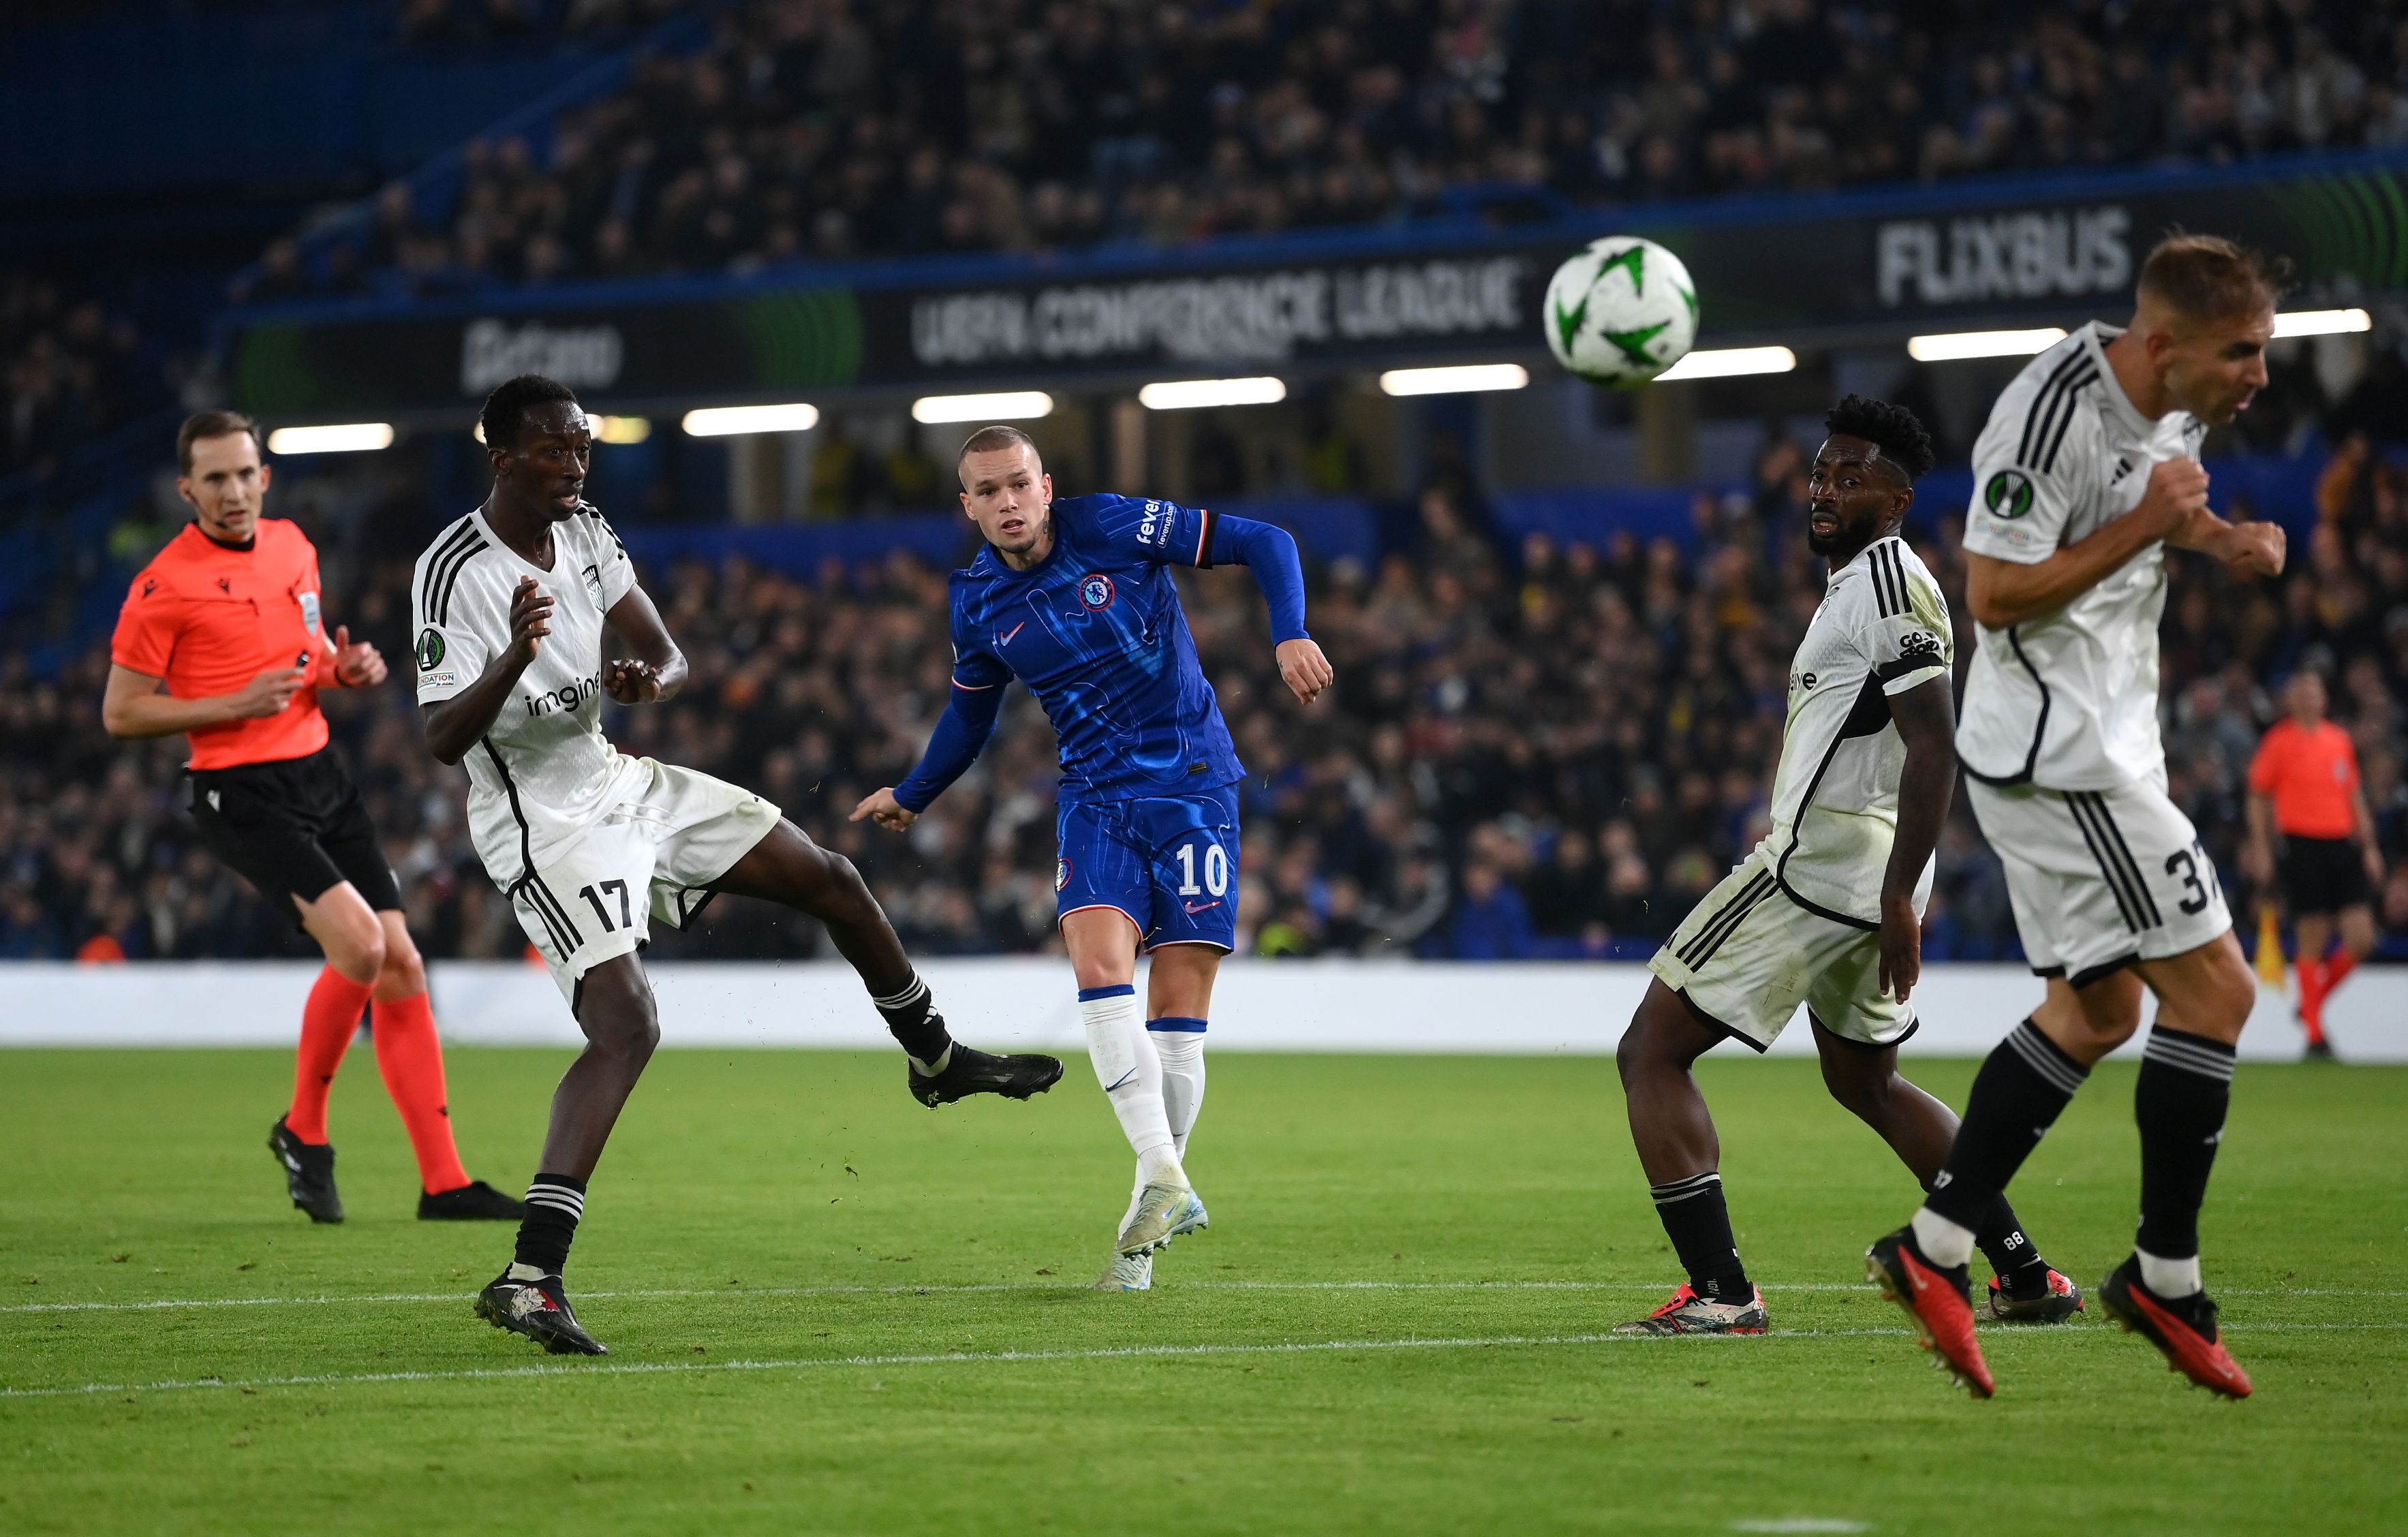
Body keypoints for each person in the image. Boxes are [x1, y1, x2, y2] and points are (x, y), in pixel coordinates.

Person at [414, 376, 1061, 1356]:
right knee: (627, 1025)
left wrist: (649, 679)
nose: (576, 466)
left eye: (583, 448)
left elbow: (667, 654)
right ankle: (531, 1275)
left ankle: (936, 1060)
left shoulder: (587, 528)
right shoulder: (453, 569)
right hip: (541, 817)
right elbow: (439, 737)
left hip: (617, 777)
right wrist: (511, 656)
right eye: (554, 451)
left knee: (832, 877)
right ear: (502, 458)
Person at [1868, 234, 2289, 1399]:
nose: (2255, 374)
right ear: (2161, 345)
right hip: (2065, 752)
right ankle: (2163, 1276)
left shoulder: (2174, 411)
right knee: (2214, 992)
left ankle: (1933, 1248)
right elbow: (1993, 595)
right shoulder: (2048, 414)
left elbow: (2156, 511)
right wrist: (2156, 523)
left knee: (2095, 1009)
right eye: (2238, 353)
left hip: (2084, 737)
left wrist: (2221, 539)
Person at [1615, 397, 2078, 1337]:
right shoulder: (1861, 584)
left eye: (1849, 478)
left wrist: (1901, 893)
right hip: (1862, 875)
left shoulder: (1885, 585)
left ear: (1896, 499)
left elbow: (1934, 746)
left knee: (1650, 1051)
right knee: (1865, 1082)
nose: (1824, 490)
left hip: (1816, 867)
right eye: (1820, 474)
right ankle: (2026, 1276)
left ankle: (1722, 1292)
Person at [852, 426, 1332, 1290]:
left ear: (1047, 486)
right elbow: (970, 715)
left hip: (1194, 784)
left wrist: (1289, 632)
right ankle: (1164, 1179)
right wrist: (915, 792)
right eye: (987, 492)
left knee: (1177, 1017)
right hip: (1096, 800)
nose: (1006, 503)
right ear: (967, 506)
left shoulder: (1112, 525)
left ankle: (1141, 1234)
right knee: (1099, 970)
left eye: (1019, 485)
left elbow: (1265, 540)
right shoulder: (976, 603)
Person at [103, 412, 522, 1226]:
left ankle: (444, 1184)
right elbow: (121, 713)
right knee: (364, 948)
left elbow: (304, 656)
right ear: (187, 490)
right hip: (240, 792)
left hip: (321, 774)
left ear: (267, 476)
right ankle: (305, 1130)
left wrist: (343, 668)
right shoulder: (163, 585)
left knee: (401, 966)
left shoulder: (295, 547)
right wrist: (231, 703)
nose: (233, 491)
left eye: (244, 473)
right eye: (214, 479)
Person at [2245, 669, 2384, 1058]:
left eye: (2314, 693)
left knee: (2361, 938)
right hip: (2302, 844)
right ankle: (2315, 1035)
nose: (2309, 699)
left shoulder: (2339, 741)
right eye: (2301, 693)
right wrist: (2261, 847)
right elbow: (2258, 796)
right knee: (2314, 935)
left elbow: (2354, 795)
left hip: (2341, 843)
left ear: (2323, 699)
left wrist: (2369, 846)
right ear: (2291, 700)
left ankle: (2311, 1005)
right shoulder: (2278, 743)